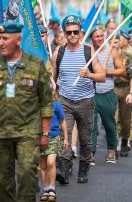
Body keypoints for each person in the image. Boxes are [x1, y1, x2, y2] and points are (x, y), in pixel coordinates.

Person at [0, 21, 54, 202]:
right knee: (3, 180)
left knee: (26, 175)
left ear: (18, 39)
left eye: (5, 38)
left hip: (28, 132)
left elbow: (46, 102)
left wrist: (45, 133)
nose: (0, 43)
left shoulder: (35, 66)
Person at [51, 15, 105, 184]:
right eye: (69, 32)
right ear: (64, 33)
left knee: (85, 138)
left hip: (86, 101)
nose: (72, 35)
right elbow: (52, 78)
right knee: (63, 136)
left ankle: (83, 169)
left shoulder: (88, 51)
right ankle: (64, 171)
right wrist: (51, 87)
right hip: (65, 100)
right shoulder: (58, 52)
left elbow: (102, 76)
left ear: (81, 32)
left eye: (75, 32)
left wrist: (89, 74)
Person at [90, 27, 125, 164]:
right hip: (91, 93)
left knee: (109, 123)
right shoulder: (87, 50)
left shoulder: (112, 50)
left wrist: (107, 71)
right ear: (91, 38)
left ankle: (111, 150)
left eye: (101, 36)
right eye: (96, 36)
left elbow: (122, 70)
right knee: (90, 125)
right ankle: (90, 153)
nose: (99, 38)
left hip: (107, 93)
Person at [39, 94, 68, 202]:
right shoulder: (38, 105)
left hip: (54, 137)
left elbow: (62, 121)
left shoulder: (56, 105)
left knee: (50, 163)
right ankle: (45, 188)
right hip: (40, 137)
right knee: (42, 165)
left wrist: (65, 138)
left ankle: (52, 188)